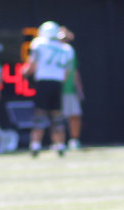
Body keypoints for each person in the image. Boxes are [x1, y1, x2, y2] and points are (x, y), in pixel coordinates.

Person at [23, 20, 75, 157]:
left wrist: (25, 73)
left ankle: (35, 145)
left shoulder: (39, 43)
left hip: (43, 81)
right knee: (57, 115)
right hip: (57, 83)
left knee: (40, 113)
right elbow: (66, 73)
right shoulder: (67, 49)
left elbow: (32, 64)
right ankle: (60, 145)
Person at [58, 26, 85, 150]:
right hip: (57, 89)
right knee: (56, 117)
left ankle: (74, 141)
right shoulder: (49, 49)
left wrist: (79, 89)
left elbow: (75, 72)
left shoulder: (69, 50)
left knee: (74, 115)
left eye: (65, 38)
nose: (64, 40)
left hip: (70, 90)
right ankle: (58, 143)